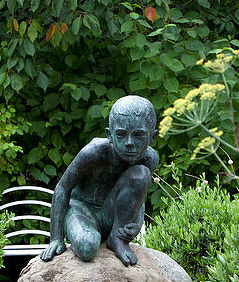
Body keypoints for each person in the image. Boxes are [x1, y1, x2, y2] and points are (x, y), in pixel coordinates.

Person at [40, 96, 158, 266]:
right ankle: (91, 235)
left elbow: (139, 194)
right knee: (87, 248)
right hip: (82, 211)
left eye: (139, 135)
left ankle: (116, 240)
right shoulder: (93, 153)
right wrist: (56, 238)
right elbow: (62, 188)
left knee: (141, 174)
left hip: (112, 217)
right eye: (121, 134)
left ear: (152, 137)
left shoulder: (148, 159)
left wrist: (136, 222)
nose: (129, 143)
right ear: (109, 135)